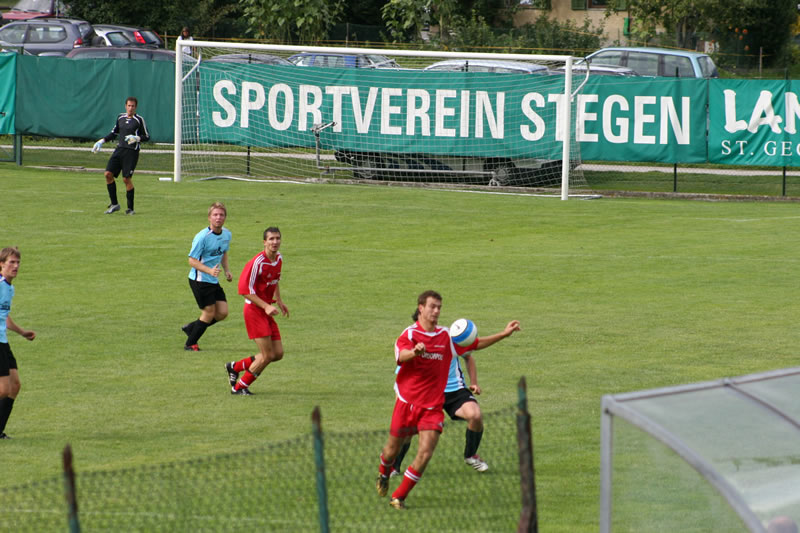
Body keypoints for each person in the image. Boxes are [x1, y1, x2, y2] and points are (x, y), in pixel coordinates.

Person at [375, 290, 520, 510]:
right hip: (407, 404)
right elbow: (401, 355)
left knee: (425, 453)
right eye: (432, 306)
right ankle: (383, 473)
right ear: (421, 308)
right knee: (391, 450)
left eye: (439, 307)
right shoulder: (409, 335)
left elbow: (475, 344)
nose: (436, 311)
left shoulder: (446, 337)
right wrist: (414, 352)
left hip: (432, 406)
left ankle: (399, 496)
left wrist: (503, 334)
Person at [392, 339, 493, 475]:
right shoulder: (414, 347)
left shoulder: (448, 340)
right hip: (426, 393)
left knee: (475, 416)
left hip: (454, 390)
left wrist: (474, 382)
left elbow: (468, 357)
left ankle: (470, 456)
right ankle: (394, 467)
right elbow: (402, 376)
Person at [225, 227, 289, 396]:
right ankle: (239, 387)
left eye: (277, 238)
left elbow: (274, 281)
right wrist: (266, 306)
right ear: (264, 242)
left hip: (266, 310)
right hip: (254, 310)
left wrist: (279, 301)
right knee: (267, 355)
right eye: (271, 239)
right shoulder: (257, 262)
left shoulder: (279, 259)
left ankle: (235, 367)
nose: (275, 242)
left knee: (277, 354)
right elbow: (244, 290)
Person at [182, 202, 232, 351]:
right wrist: (209, 271)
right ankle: (190, 343)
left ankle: (193, 327)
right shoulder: (202, 237)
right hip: (200, 280)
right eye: (215, 215)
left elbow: (223, 253)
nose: (218, 218)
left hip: (213, 280)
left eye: (221, 215)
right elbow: (191, 260)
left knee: (222, 312)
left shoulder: (227, 234)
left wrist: (227, 270)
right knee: (209, 312)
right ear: (209, 218)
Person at [91, 96, 150, 215]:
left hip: (131, 152)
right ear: (125, 106)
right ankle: (114, 204)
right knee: (108, 174)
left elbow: (147, 136)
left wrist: (136, 138)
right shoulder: (120, 117)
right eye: (129, 105)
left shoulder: (139, 120)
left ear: (136, 107)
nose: (130, 108)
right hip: (119, 150)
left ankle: (130, 209)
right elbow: (114, 133)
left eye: (133, 106)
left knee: (126, 179)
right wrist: (101, 141)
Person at [0, 247, 36, 439]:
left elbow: (4, 316)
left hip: (3, 341)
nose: (16, 266)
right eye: (11, 263)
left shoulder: (9, 287)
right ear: (1, 265)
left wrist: (22, 332)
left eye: (18, 263)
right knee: (3, 389)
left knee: (14, 386)